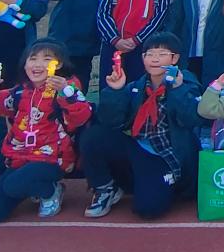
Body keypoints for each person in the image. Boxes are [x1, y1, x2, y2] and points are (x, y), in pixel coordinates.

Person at [81, 31, 202, 219]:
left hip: (166, 156)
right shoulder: (136, 86)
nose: (155, 59)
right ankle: (106, 187)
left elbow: (191, 119)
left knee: (148, 209)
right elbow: (111, 121)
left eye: (162, 54)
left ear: (174, 58)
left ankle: (160, 184)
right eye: (149, 54)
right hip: (139, 148)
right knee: (94, 136)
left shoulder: (187, 83)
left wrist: (178, 90)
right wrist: (115, 91)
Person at [0, 39, 92, 224]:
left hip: (52, 159)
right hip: (20, 158)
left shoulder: (68, 88)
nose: (38, 64)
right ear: (25, 64)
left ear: (59, 64)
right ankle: (31, 186)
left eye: (47, 59)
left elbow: (81, 116)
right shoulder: (19, 91)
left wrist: (66, 91)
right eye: (32, 59)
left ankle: (50, 191)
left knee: (13, 185)